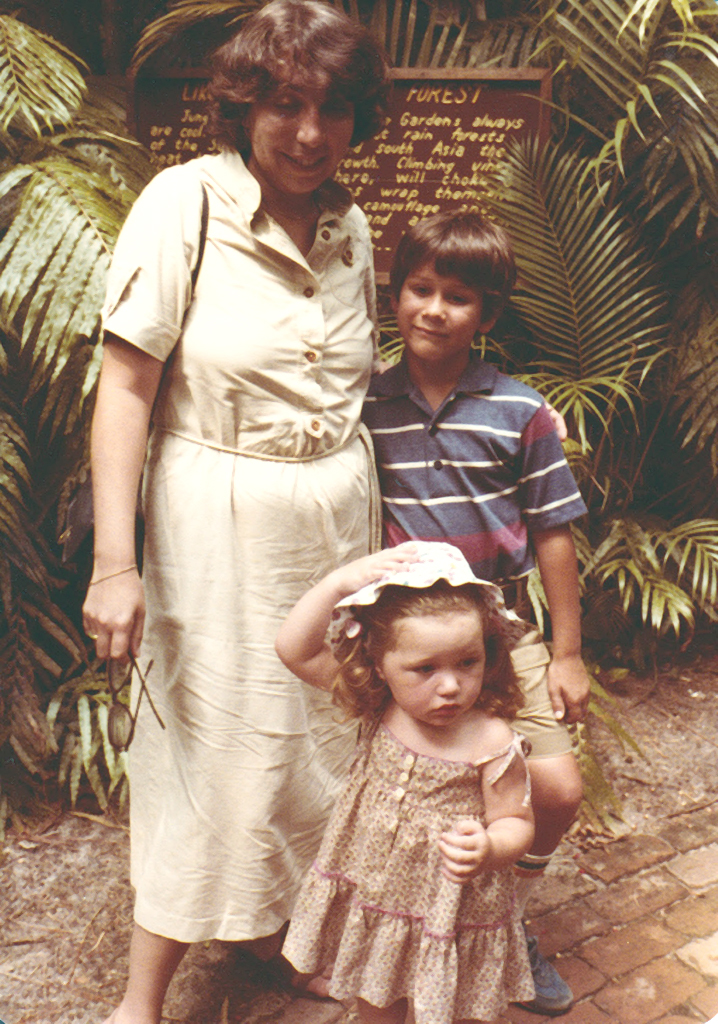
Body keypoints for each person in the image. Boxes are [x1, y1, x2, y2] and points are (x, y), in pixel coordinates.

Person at [81, 3, 391, 1022]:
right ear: (243, 104)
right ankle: (142, 1000)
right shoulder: (186, 204)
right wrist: (115, 565)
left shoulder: (350, 227)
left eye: (334, 109)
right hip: (216, 528)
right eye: (286, 104)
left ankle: (276, 930)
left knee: (312, 742)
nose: (310, 132)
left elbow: (351, 388)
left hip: (332, 525)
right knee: (209, 748)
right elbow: (126, 387)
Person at [361, 211, 591, 1015]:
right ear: (395, 295)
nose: (433, 309)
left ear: (486, 314)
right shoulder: (367, 404)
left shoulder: (520, 411)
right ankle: (386, 934)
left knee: (556, 791)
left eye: (457, 297)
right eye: (419, 289)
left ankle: (510, 918)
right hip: (410, 640)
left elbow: (553, 532)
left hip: (502, 631)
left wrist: (567, 653)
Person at [276, 540, 537, 1024]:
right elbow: (294, 650)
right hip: (378, 895)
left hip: (454, 906)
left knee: (455, 1001)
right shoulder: (380, 704)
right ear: (379, 665)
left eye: (467, 662)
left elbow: (517, 822)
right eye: (425, 668)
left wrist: (490, 848)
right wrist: (336, 585)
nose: (450, 686)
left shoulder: (492, 740)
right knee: (376, 993)